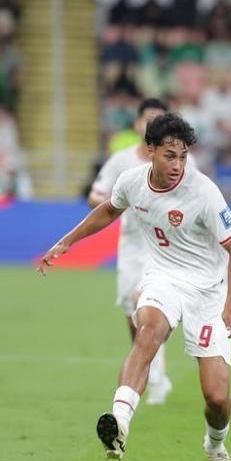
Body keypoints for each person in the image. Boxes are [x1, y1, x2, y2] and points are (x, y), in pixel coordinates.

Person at [38, 113, 231, 461]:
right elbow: (107, 210)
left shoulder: (203, 192)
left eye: (183, 156)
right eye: (170, 155)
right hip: (162, 277)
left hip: (207, 292)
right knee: (147, 333)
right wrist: (67, 241)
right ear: (149, 151)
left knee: (217, 398)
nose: (178, 165)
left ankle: (215, 447)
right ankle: (120, 422)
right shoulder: (132, 182)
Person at [87, 98, 199, 405]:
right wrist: (118, 204)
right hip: (132, 247)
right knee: (132, 313)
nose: (152, 124)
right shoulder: (122, 162)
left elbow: (197, 198)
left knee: (149, 307)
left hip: (167, 247)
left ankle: (156, 376)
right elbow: (95, 197)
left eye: (158, 119)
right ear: (138, 124)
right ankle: (153, 371)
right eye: (147, 119)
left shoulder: (181, 160)